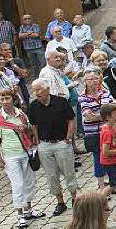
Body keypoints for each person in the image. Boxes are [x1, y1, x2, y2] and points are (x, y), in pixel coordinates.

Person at [0, 89, 43, 228]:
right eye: (2, 99)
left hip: (25, 152)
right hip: (10, 155)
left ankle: (29, 210)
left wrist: (24, 127)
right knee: (17, 184)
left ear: (13, 99)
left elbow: (29, 129)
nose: (5, 102)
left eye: (7, 98)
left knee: (29, 181)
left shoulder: (21, 114)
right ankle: (19, 214)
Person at [28, 79, 77, 216]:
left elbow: (71, 119)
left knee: (69, 172)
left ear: (47, 89)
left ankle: (75, 198)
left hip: (62, 142)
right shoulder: (33, 106)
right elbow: (33, 125)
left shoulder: (61, 102)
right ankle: (60, 202)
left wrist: (68, 137)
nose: (36, 93)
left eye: (38, 89)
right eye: (34, 90)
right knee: (51, 175)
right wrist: (37, 141)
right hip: (44, 144)